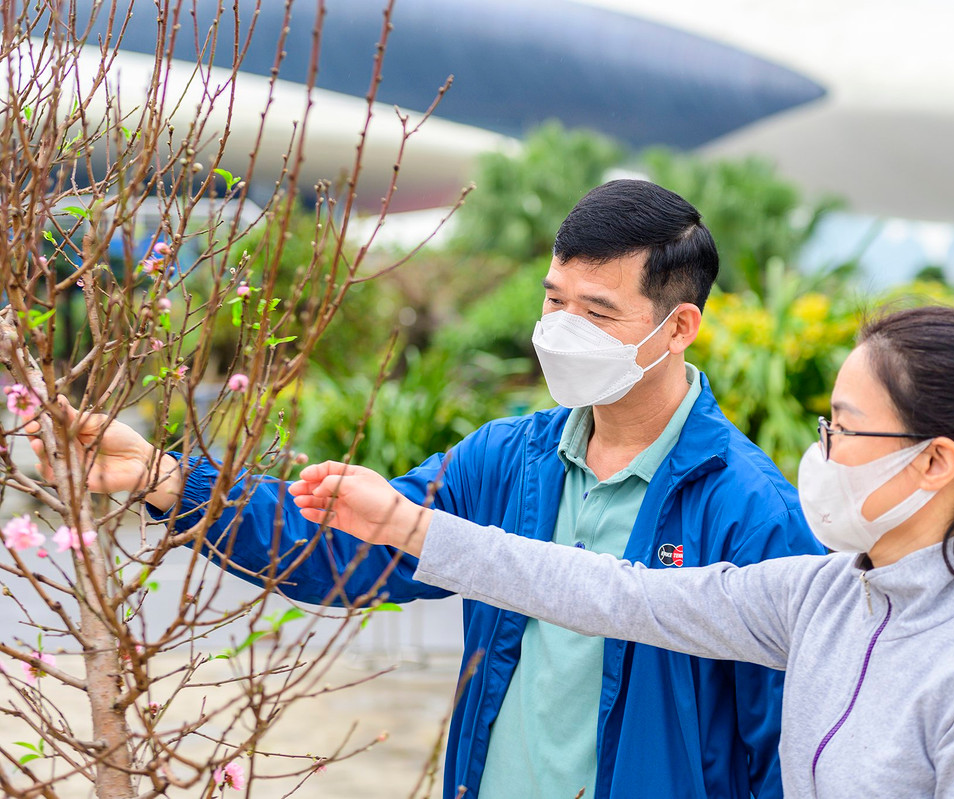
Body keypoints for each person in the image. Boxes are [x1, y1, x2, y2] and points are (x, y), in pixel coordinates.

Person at [42, 180, 823, 799]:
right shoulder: (508, 460)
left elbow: (782, 750)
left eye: (596, 311)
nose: (560, 327)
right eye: (554, 299)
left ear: (678, 326)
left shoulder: (749, 511)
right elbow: (346, 542)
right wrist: (166, 478)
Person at [287, 305, 954, 798]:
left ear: (935, 461)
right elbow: (614, 594)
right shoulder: (823, 596)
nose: (821, 448)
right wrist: (407, 524)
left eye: (843, 427)